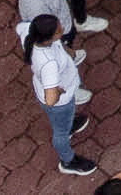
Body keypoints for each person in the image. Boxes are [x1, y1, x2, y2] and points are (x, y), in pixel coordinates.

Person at [26, 14, 99, 175]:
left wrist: (70, 53)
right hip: (60, 104)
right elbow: (51, 99)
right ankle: (68, 161)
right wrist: (58, 91)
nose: (63, 29)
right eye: (59, 30)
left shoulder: (35, 36)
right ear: (48, 38)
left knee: (65, 121)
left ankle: (69, 125)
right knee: (60, 133)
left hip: (63, 95)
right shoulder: (49, 64)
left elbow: (59, 45)